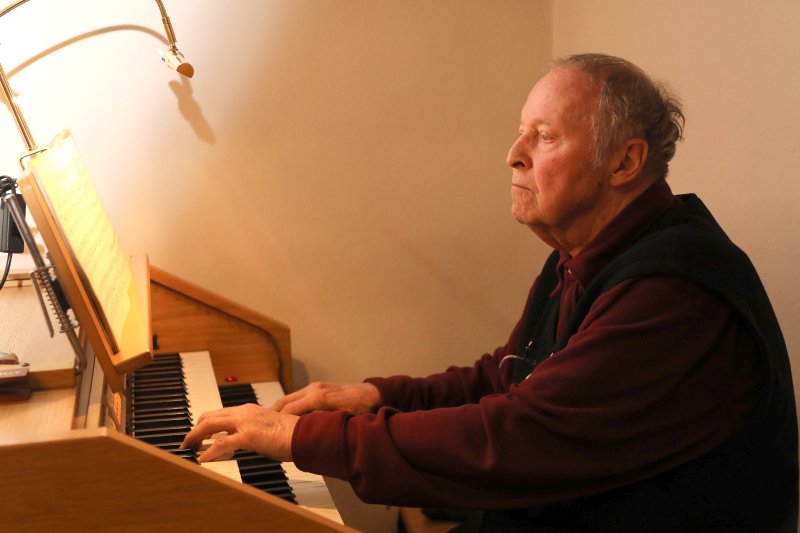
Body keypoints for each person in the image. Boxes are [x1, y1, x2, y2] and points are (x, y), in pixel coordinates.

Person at [183, 54, 798, 532]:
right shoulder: (590, 253)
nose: (513, 155)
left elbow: (515, 437)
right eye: (519, 133)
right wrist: (371, 397)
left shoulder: (670, 294)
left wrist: (297, 439)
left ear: (624, 162)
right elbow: (511, 378)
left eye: (545, 137)